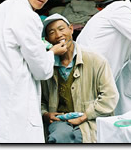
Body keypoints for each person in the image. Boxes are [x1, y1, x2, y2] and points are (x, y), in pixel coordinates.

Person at [0, 0, 66, 143]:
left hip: (2, 95)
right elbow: (42, 70)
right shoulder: (28, 16)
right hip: (17, 100)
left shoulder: (3, 8)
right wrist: (52, 53)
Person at [41, 14, 119, 143]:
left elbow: (110, 97)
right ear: (48, 40)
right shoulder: (46, 66)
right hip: (60, 122)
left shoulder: (95, 60)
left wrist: (86, 115)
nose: (58, 34)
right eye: (52, 32)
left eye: (61, 29)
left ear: (71, 29)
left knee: (82, 137)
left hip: (91, 119)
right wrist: (45, 114)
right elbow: (38, 99)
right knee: (59, 137)